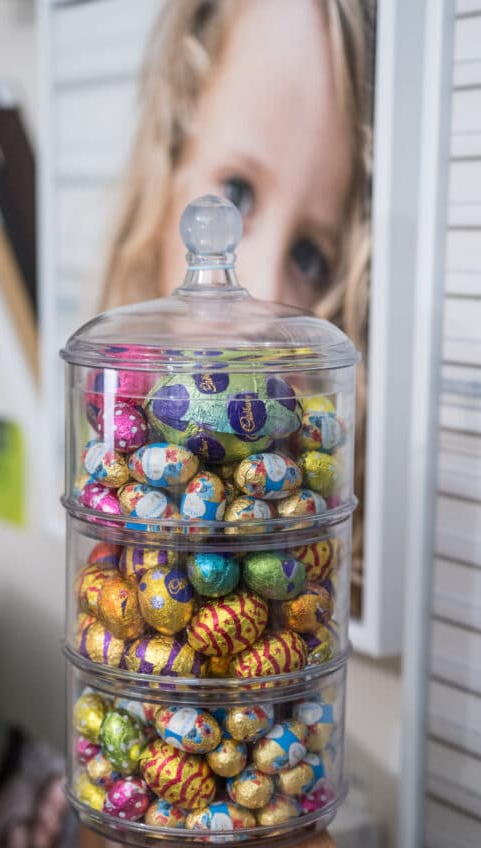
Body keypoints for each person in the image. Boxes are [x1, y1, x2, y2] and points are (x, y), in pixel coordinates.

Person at [100, 0, 373, 610]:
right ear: (168, 162)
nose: (262, 288)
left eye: (309, 255)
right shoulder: (111, 442)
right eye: (238, 193)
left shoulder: (311, 513)